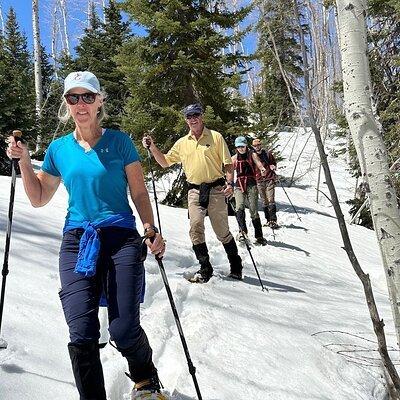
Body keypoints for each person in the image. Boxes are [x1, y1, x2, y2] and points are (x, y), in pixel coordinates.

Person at [6, 71, 168, 400]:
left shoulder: (119, 142)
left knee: (122, 330)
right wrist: (24, 161)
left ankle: (145, 377)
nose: (80, 104)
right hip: (78, 242)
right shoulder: (59, 149)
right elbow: (39, 197)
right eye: (72, 98)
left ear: (99, 102)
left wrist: (150, 228)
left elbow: (138, 192)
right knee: (81, 332)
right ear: (67, 104)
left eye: (87, 97)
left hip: (120, 238)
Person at [142, 103, 243, 282]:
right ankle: (205, 268)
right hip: (195, 191)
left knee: (222, 231)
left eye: (196, 114)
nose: (193, 119)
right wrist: (152, 148)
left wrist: (230, 183)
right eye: (189, 116)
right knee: (195, 227)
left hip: (216, 189)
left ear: (201, 116)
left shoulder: (216, 137)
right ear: (186, 120)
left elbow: (228, 164)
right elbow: (165, 162)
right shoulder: (182, 143)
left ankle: (235, 265)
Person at [232, 136, 268, 245]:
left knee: (253, 210)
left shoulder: (252, 154)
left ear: (246, 145)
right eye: (238, 147)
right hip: (239, 184)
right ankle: (242, 232)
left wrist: (262, 169)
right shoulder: (234, 158)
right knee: (239, 207)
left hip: (251, 183)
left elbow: (258, 163)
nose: (240, 149)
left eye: (242, 146)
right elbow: (229, 170)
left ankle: (259, 236)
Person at [252, 138, 279, 229]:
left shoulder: (268, 154)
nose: (257, 147)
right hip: (259, 180)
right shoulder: (252, 156)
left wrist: (273, 166)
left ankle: (273, 220)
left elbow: (274, 163)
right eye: (255, 146)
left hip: (269, 179)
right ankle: (268, 220)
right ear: (253, 146)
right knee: (264, 201)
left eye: (258, 145)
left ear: (261, 145)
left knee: (271, 199)